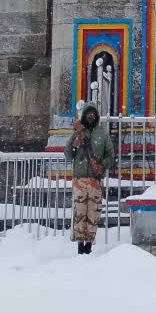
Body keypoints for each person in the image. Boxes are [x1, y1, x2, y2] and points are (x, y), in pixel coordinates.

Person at [64, 100, 114, 255]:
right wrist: (74, 144)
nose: (91, 116)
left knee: (93, 213)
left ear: (96, 116)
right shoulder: (78, 133)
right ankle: (80, 245)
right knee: (80, 213)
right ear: (85, 115)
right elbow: (67, 154)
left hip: (95, 180)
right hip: (79, 180)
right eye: (88, 113)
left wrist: (102, 165)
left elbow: (110, 156)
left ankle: (89, 246)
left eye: (93, 113)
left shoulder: (102, 133)